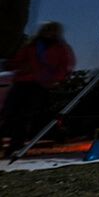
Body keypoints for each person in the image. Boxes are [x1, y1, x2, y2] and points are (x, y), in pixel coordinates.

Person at [0, 21, 74, 157]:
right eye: (47, 29)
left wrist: (55, 79)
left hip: (40, 85)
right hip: (22, 81)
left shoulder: (60, 48)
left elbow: (65, 66)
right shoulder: (32, 46)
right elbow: (18, 60)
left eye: (52, 30)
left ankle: (15, 146)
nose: (49, 32)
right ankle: (12, 142)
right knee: (8, 112)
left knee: (25, 115)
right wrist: (12, 65)